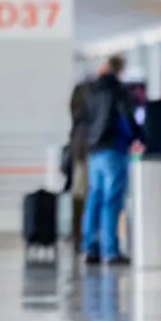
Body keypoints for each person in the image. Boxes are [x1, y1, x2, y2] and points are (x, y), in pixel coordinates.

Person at [81, 55, 142, 266]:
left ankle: (90, 247)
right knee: (112, 200)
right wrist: (138, 136)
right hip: (113, 149)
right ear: (121, 70)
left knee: (94, 198)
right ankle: (111, 250)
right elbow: (127, 117)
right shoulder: (119, 91)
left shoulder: (91, 91)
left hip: (93, 150)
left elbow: (85, 119)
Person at [67, 78, 92, 251]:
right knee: (84, 196)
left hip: (79, 156)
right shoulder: (86, 123)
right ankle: (83, 238)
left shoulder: (77, 122)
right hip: (85, 156)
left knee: (79, 196)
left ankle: (80, 237)